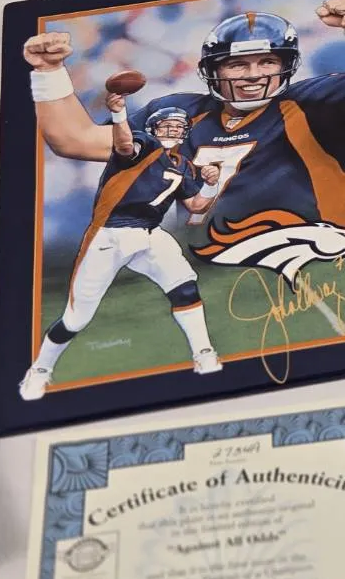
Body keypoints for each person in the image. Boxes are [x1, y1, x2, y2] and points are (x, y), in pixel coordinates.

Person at [23, 0, 345, 245]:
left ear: (287, 65)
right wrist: (48, 71)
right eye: (237, 64)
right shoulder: (180, 113)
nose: (253, 74)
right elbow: (73, 140)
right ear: (213, 70)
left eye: (267, 61)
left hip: (311, 253)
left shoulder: (312, 102)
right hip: (211, 268)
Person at [20, 98, 223, 399]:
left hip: (150, 233)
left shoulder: (183, 165)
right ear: (153, 129)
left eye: (177, 126)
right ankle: (39, 370)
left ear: (185, 132)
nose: (171, 130)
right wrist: (118, 113)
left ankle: (204, 354)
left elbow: (196, 205)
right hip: (110, 235)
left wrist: (211, 184)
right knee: (76, 319)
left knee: (184, 287)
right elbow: (125, 145)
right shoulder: (143, 145)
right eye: (165, 125)